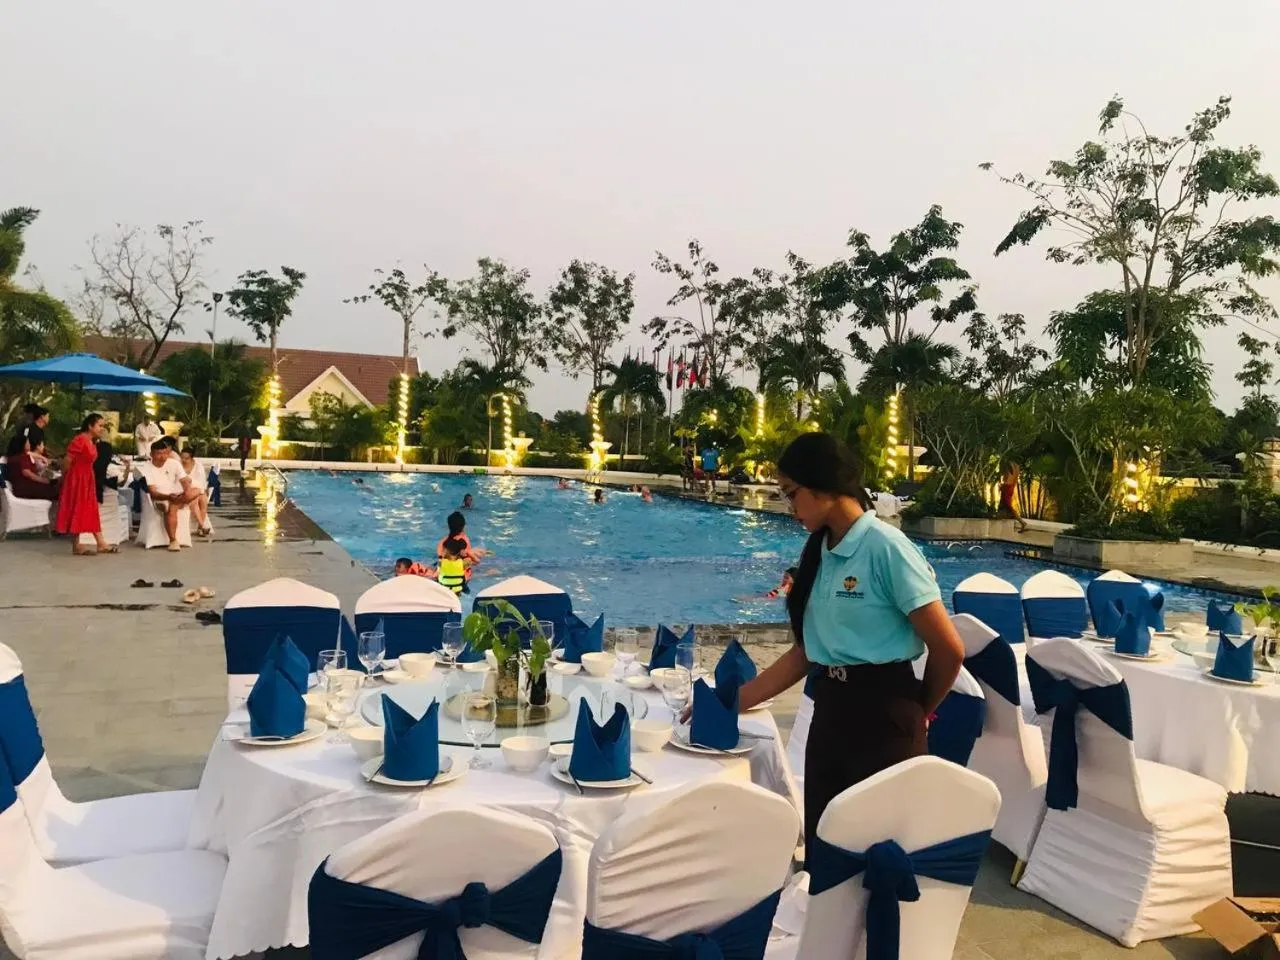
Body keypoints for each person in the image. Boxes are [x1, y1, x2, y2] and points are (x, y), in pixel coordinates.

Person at [731, 431, 964, 850]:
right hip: (831, 714)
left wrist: (916, 713)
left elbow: (949, 649)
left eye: (791, 493)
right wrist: (729, 702)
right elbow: (806, 654)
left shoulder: (885, 548)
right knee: (826, 853)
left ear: (823, 485)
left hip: (885, 720)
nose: (789, 507)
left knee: (874, 860)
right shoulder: (820, 549)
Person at [56, 414, 115, 556]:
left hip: (87, 478)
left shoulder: (91, 441)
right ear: (90, 426)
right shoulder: (80, 440)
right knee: (82, 508)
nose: (102, 428)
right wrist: (65, 477)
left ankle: (87, 544)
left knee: (86, 508)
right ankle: (97, 543)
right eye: (99, 425)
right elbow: (67, 460)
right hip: (77, 478)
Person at [137, 439, 201, 551]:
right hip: (159, 497)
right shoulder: (146, 467)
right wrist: (168, 497)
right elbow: (153, 492)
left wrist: (186, 491)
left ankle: (174, 540)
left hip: (176, 494)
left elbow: (185, 480)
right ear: (151, 454)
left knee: (197, 490)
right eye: (159, 454)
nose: (163, 457)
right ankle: (173, 540)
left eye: (165, 453)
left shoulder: (174, 463)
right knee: (170, 506)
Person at [5, 435, 59, 500]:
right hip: (26, 488)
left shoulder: (13, 457)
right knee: (56, 490)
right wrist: (45, 481)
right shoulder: (23, 457)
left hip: (20, 488)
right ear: (22, 445)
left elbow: (29, 454)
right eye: (28, 443)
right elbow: (28, 473)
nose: (29, 444)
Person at [178, 449, 213, 535]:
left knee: (203, 500)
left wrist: (201, 490)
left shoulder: (198, 465)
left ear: (192, 458)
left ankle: (200, 528)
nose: (184, 460)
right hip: (184, 489)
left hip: (198, 488)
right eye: (182, 457)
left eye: (186, 458)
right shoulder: (178, 465)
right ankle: (202, 526)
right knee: (194, 501)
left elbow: (202, 480)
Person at [998, 461, 1029, 533]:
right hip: (1009, 488)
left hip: (1007, 489)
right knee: (1005, 508)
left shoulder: (1009, 466)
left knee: (1006, 507)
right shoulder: (1015, 468)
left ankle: (1022, 522)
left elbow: (1006, 480)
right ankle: (1022, 522)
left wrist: (1002, 486)